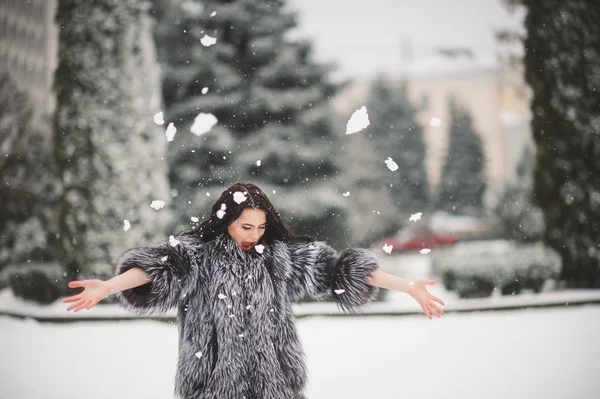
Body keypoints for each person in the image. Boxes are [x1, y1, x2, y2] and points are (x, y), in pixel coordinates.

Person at [64, 182, 444, 399]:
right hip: (211, 386)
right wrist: (109, 286)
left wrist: (407, 285)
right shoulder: (198, 256)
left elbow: (340, 271)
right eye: (246, 227)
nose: (255, 235)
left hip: (275, 386)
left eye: (261, 228)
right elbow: (156, 269)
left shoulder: (278, 258)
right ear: (226, 221)